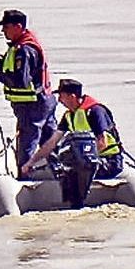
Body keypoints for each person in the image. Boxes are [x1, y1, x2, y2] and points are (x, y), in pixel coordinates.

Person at [0, 9, 57, 177]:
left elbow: (20, 82)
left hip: (32, 106)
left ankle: (25, 181)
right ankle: (60, 174)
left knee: (26, 143)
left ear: (18, 26)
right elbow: (5, 65)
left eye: (6, 27)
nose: (3, 31)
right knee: (50, 141)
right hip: (44, 101)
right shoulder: (19, 47)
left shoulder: (24, 50)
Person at [21, 79, 124, 208]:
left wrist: (86, 160)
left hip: (109, 161)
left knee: (75, 169)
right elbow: (52, 143)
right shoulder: (69, 116)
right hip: (85, 161)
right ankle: (71, 202)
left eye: (62, 96)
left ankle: (76, 203)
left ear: (72, 97)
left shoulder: (95, 112)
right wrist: (31, 162)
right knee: (58, 165)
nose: (59, 100)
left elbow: (102, 142)